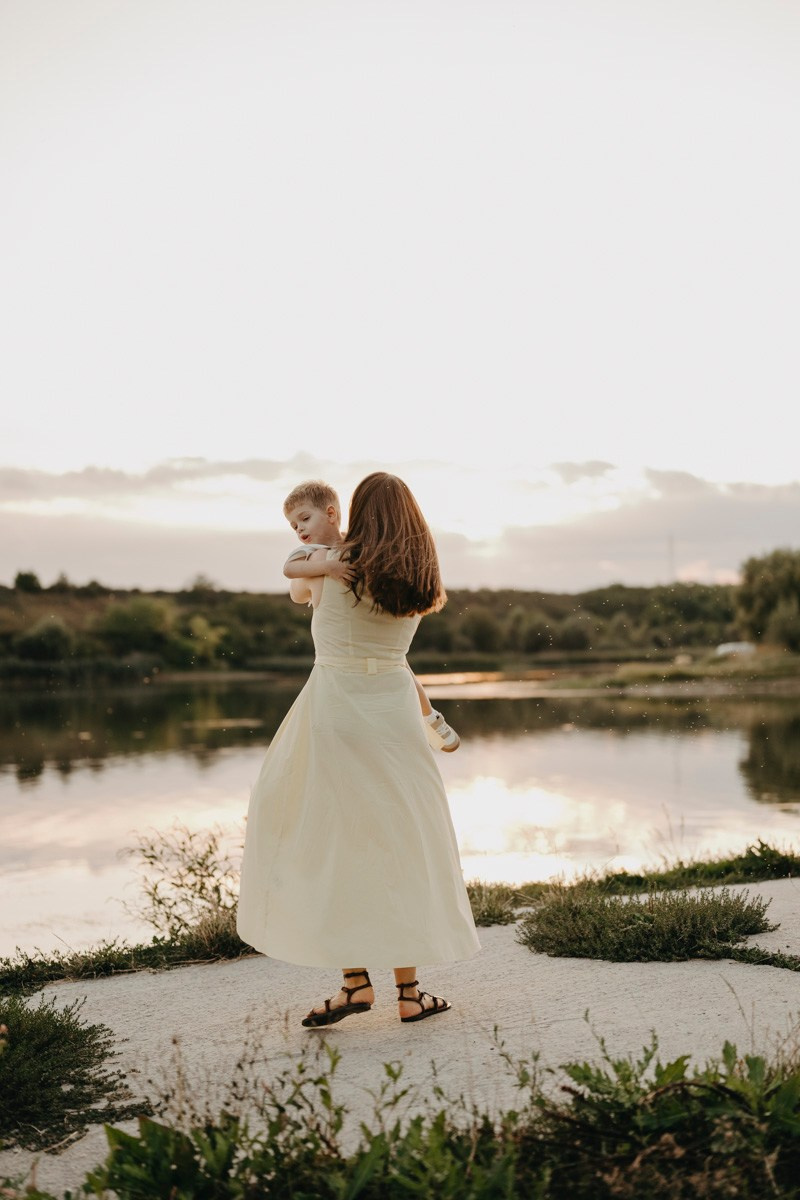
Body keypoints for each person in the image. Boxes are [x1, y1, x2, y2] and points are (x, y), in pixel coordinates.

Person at [236, 472, 480, 1027]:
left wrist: (314, 562)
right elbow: (400, 662)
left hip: (335, 712)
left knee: (329, 842)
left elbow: (299, 588)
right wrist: (429, 717)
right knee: (402, 846)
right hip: (392, 716)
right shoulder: (416, 578)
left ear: (355, 510)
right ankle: (411, 994)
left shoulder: (333, 562)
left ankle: (353, 984)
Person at [281, 480, 460, 753]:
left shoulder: (326, 559)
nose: (300, 529)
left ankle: (432, 717)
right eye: (295, 525)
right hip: (398, 703)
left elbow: (297, 592)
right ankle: (433, 719)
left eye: (304, 520)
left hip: (337, 698)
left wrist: (322, 566)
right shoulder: (415, 571)